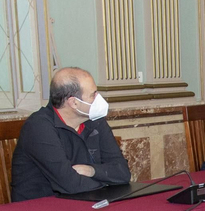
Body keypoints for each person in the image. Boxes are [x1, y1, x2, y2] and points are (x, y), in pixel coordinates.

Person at [9, 67, 131, 201]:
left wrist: (91, 170)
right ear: (74, 103)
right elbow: (71, 184)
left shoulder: (95, 120)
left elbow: (123, 173)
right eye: (93, 94)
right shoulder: (38, 127)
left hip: (85, 203)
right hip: (40, 210)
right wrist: (108, 182)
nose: (98, 99)